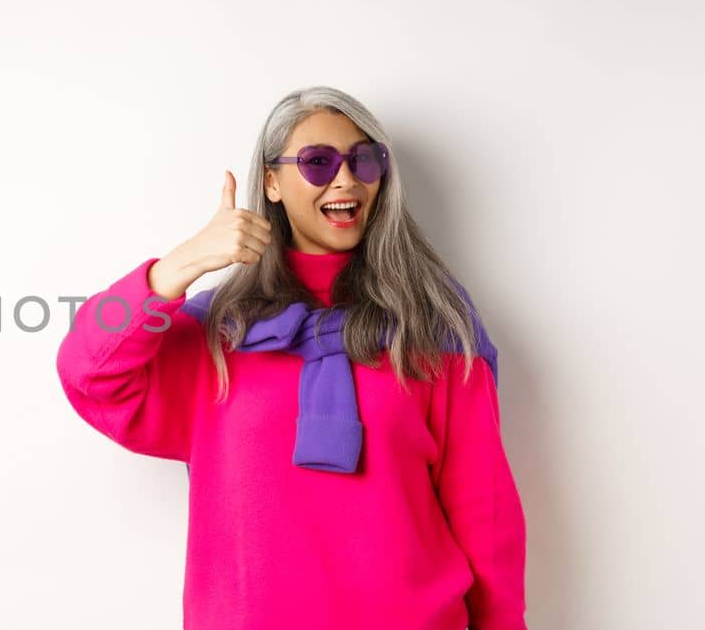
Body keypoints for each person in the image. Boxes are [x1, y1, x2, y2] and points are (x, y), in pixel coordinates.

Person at [55, 85, 527, 630]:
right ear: (272, 182)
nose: (346, 178)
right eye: (319, 162)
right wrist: (179, 267)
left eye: (364, 160)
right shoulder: (215, 332)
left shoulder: (433, 324)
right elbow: (87, 371)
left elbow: (484, 511)